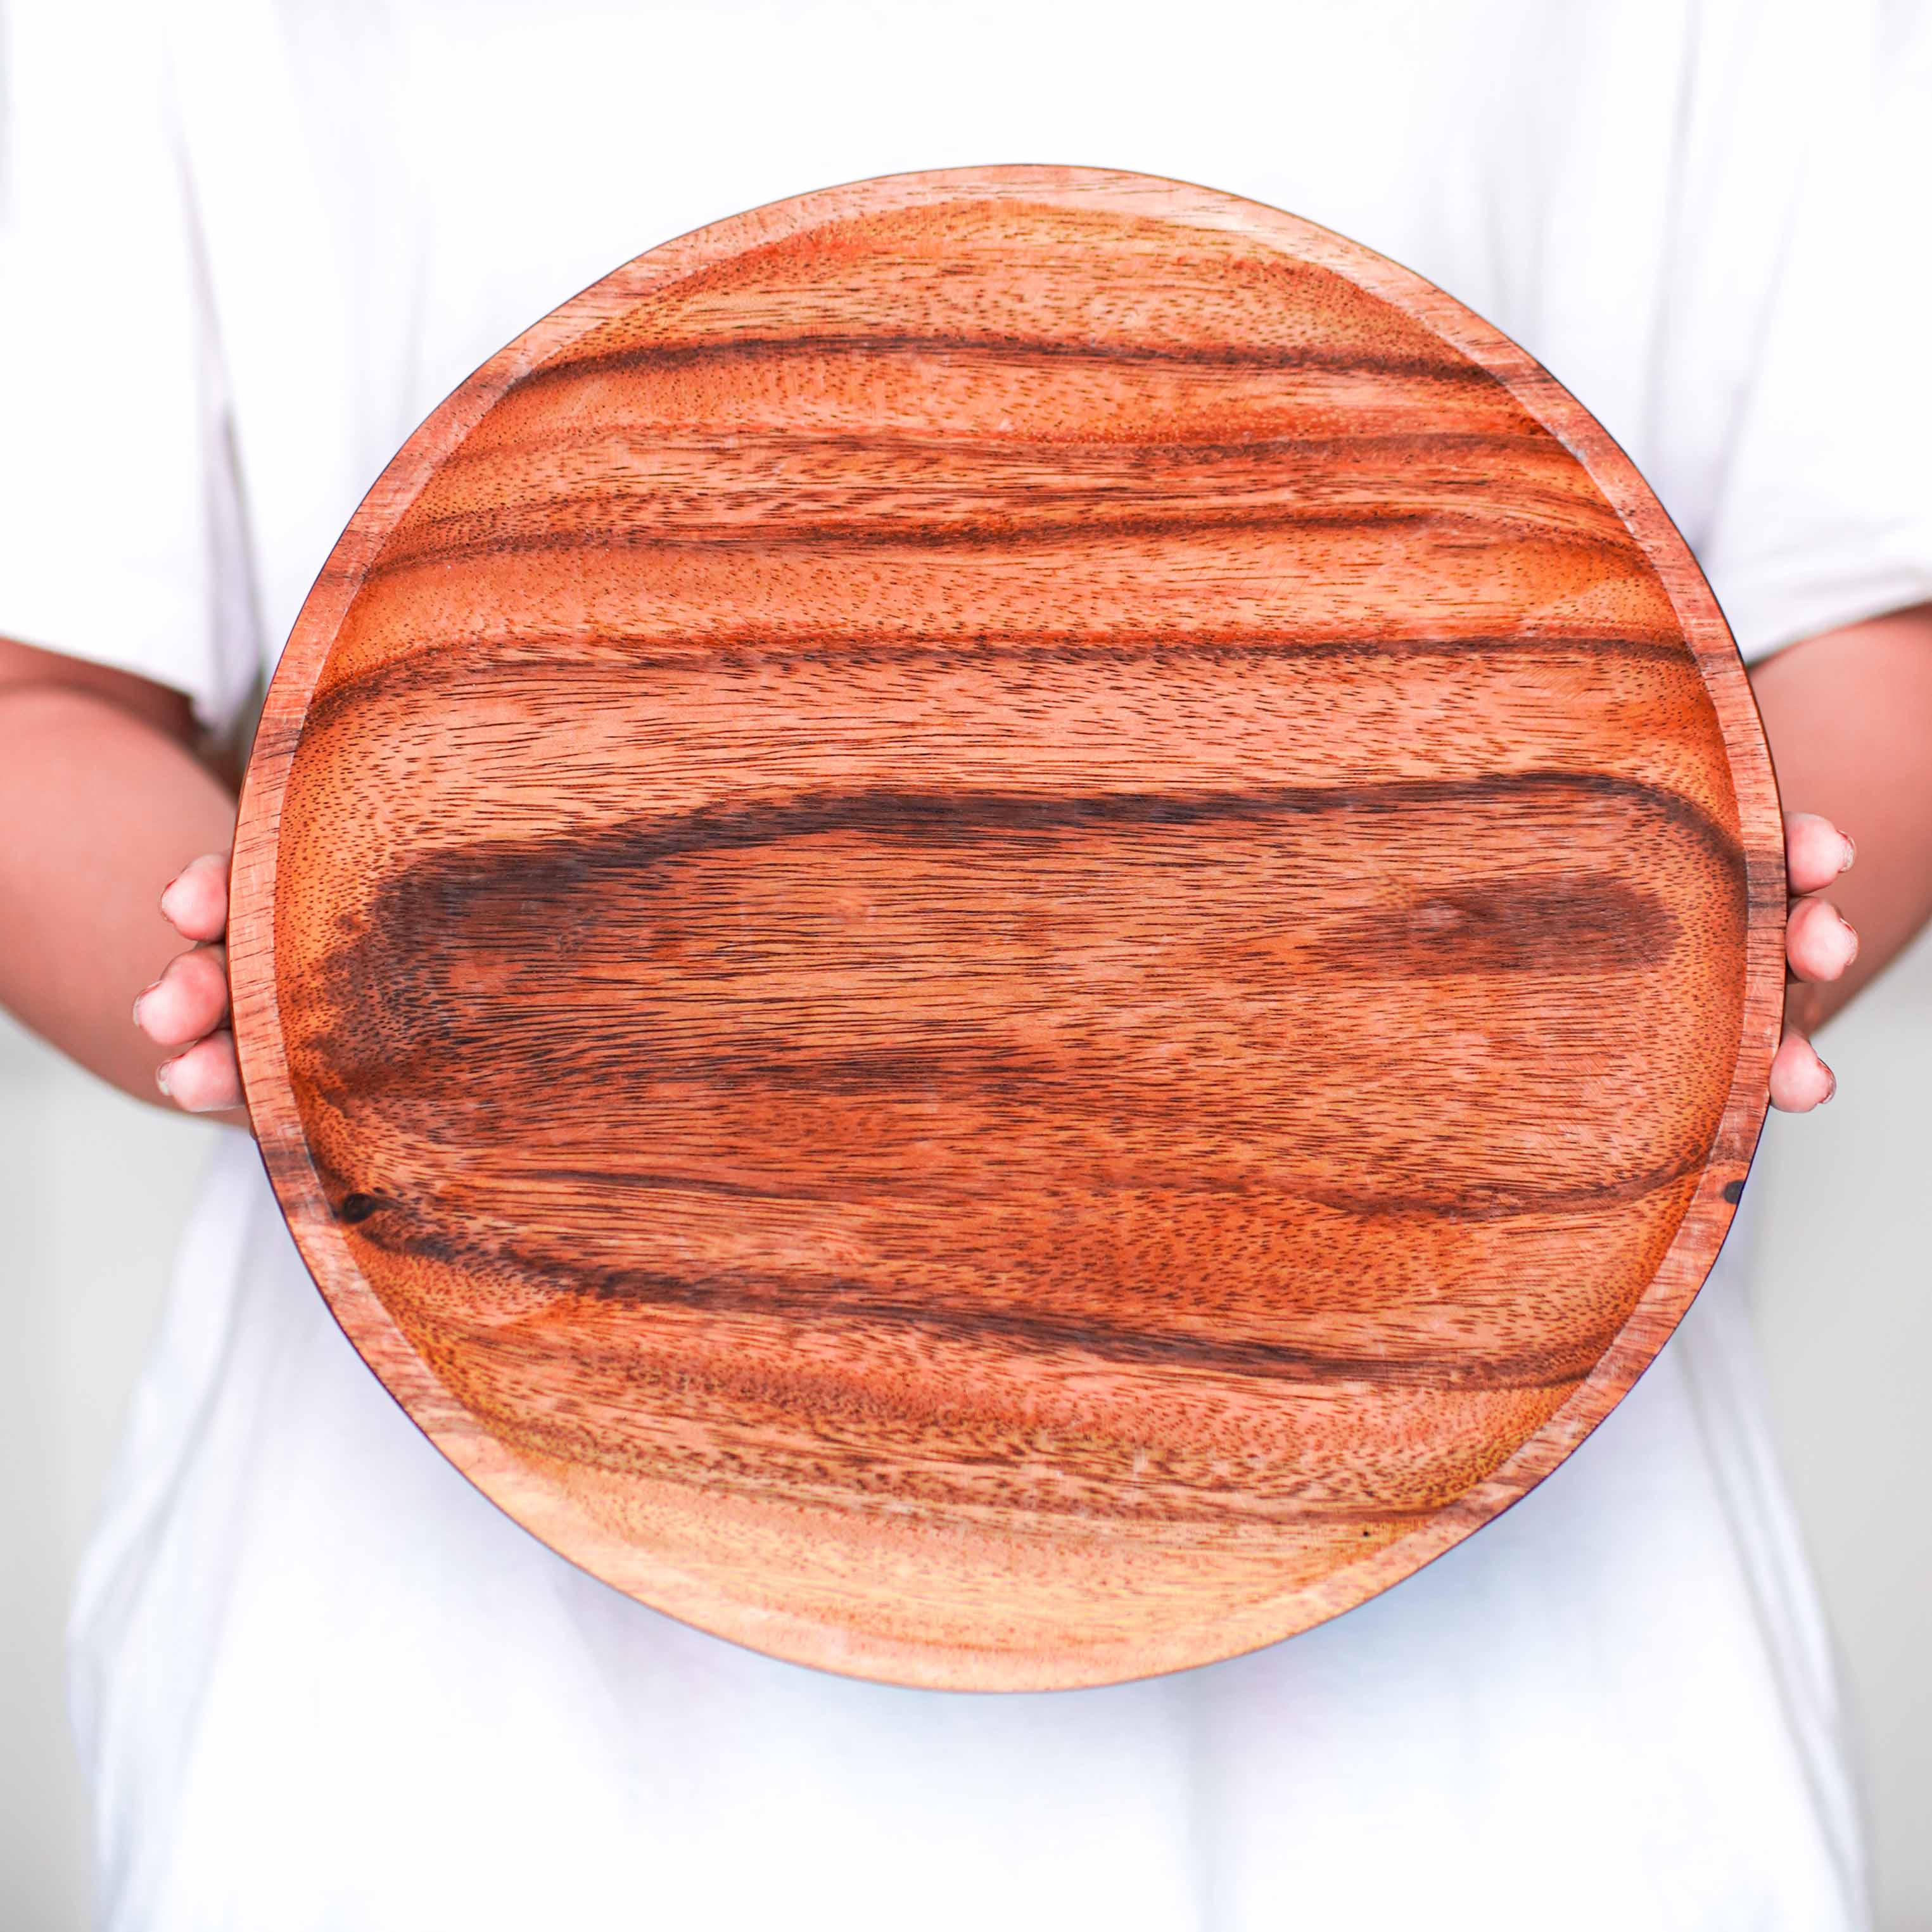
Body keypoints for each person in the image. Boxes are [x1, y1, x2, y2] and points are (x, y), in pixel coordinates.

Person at [3, 1, 1928, 1926]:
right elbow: (34, 692)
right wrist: (263, 977)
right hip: (453, 1730)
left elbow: (1880, 613)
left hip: (1511, 1732)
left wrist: (1698, 942)